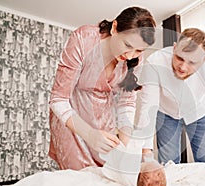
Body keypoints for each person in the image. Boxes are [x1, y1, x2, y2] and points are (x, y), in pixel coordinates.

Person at [49, 6, 156, 170]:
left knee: (106, 177)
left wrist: (124, 145)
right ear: (114, 28)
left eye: (139, 50)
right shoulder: (84, 39)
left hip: (103, 122)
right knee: (79, 180)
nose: (129, 56)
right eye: (127, 44)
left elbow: (126, 102)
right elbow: (58, 99)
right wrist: (89, 134)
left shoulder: (135, 59)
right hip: (73, 121)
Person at [135, 28, 205, 171]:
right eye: (179, 58)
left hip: (198, 113)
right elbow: (148, 106)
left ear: (204, 59)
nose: (182, 67)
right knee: (168, 165)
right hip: (166, 114)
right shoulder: (155, 61)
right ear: (175, 47)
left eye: (192, 62)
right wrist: (146, 153)